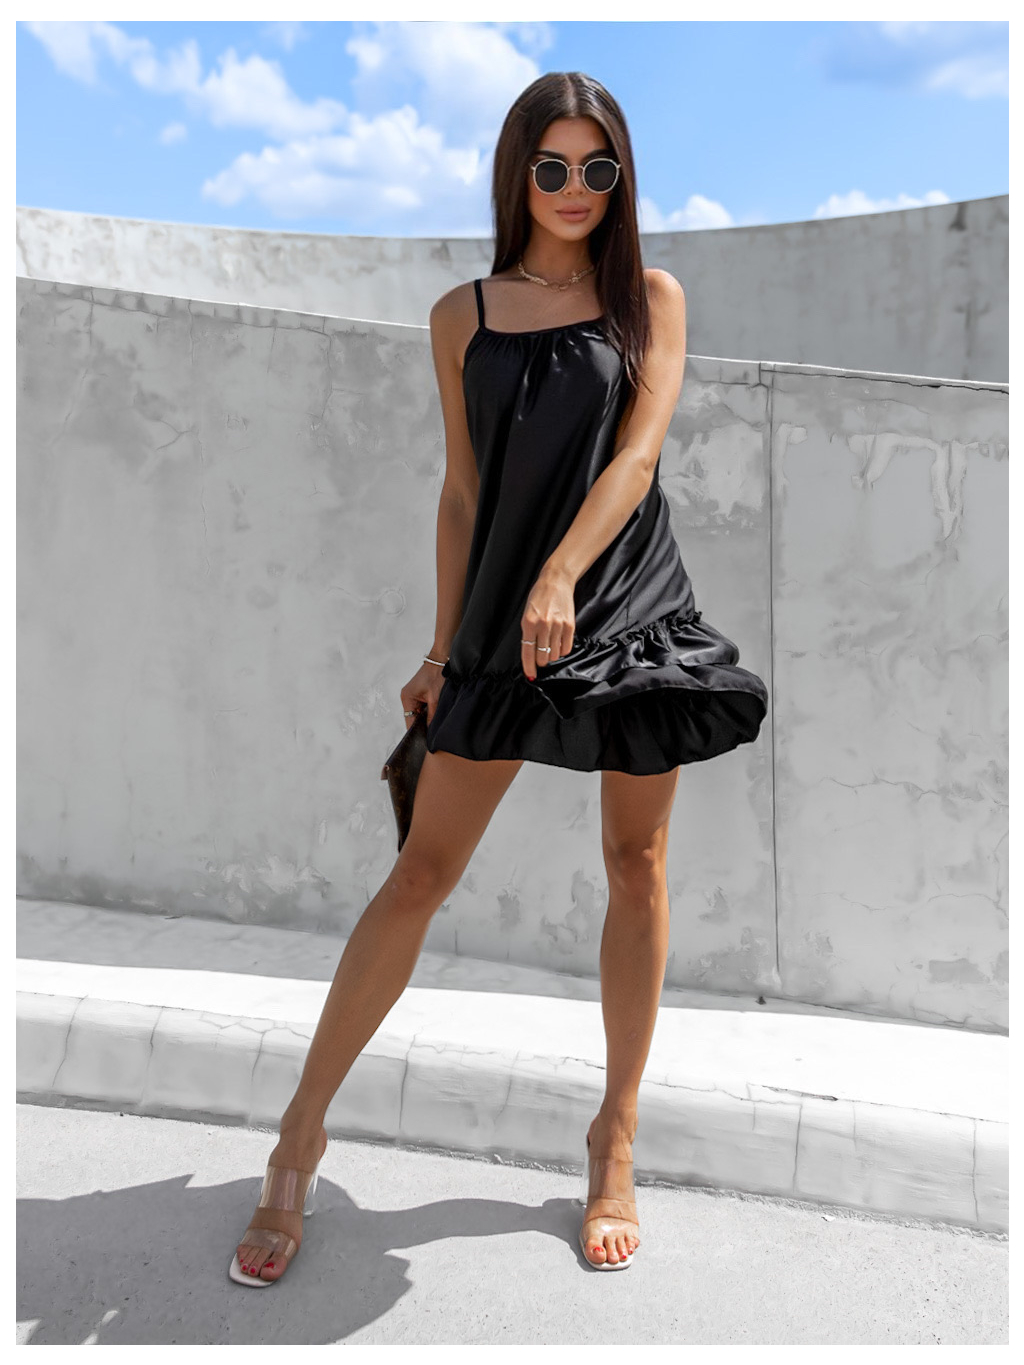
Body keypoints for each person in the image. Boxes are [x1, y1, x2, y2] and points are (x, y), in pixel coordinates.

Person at [231, 70, 768, 1285]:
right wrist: (441, 647)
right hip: (497, 623)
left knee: (635, 865)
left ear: (620, 180)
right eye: (552, 167)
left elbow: (636, 460)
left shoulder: (650, 299)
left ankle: (614, 1138)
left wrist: (561, 573)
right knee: (419, 872)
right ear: (516, 173)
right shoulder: (459, 315)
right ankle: (298, 1136)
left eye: (597, 169)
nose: (575, 189)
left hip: (625, 610)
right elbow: (464, 491)